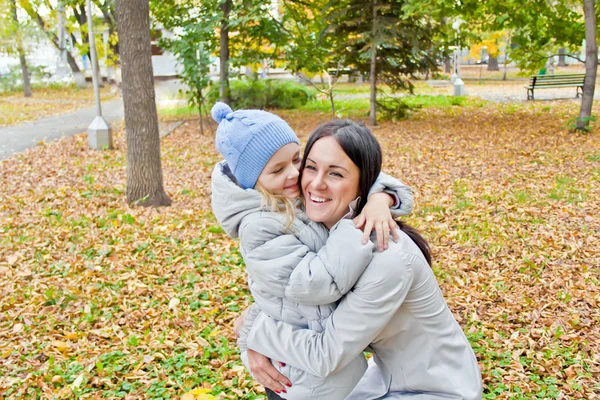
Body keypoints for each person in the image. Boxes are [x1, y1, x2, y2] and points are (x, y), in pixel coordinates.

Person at [238, 120, 483, 400]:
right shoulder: (333, 236)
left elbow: (325, 354)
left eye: (336, 174)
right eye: (311, 167)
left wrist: (254, 332)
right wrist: (381, 197)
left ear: (362, 183)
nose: (315, 184)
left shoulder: (386, 257)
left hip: (436, 392)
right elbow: (303, 297)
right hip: (386, 381)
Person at [209, 103, 414, 400]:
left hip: (332, 365)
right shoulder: (258, 226)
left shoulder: (290, 198)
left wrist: (380, 200)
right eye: (278, 169)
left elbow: (366, 178)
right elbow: (315, 284)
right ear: (251, 182)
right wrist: (353, 223)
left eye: (297, 160)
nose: (295, 174)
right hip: (299, 376)